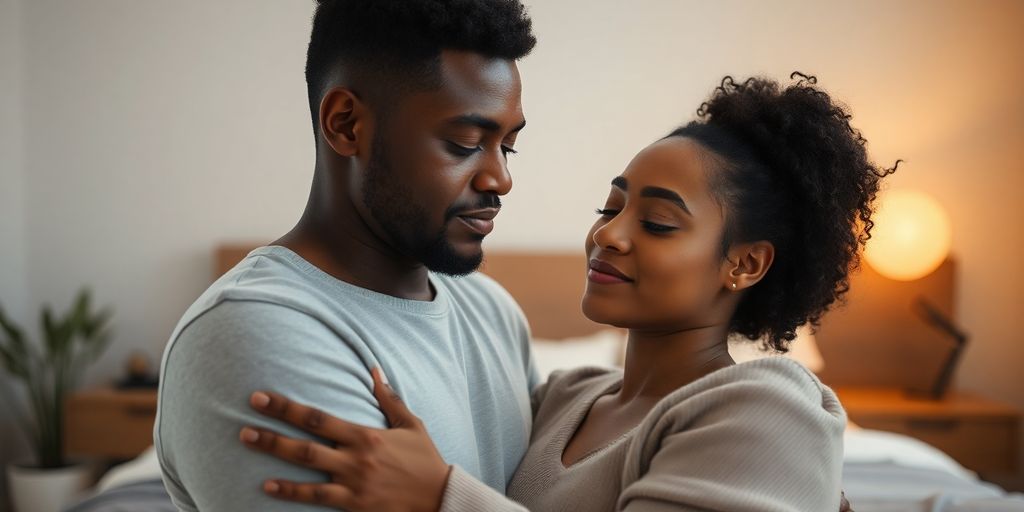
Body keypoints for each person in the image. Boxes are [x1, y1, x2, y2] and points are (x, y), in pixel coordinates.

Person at [237, 73, 892, 511]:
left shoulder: (770, 407)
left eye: (658, 223)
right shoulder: (560, 400)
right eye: (609, 209)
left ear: (744, 264)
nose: (610, 237)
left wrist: (440, 496)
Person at [154, 1, 539, 510]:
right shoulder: (261, 332)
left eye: (507, 147)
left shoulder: (493, 312)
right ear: (346, 124)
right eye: (465, 142)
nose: (500, 179)